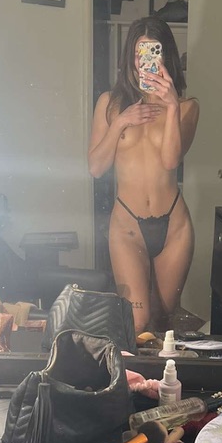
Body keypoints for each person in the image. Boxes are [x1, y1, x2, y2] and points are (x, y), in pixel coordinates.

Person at [88, 17, 200, 334]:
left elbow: (170, 160)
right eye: (140, 53)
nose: (145, 62)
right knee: (138, 323)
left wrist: (171, 107)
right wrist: (121, 122)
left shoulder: (187, 107)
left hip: (174, 226)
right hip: (127, 225)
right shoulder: (109, 104)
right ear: (130, 57)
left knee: (163, 323)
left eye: (153, 52)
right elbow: (96, 167)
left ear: (166, 57)